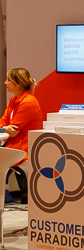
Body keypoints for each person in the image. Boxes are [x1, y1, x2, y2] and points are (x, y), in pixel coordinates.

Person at [1, 68, 43, 204]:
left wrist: (4, 129)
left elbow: (13, 129)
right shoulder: (13, 100)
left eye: (8, 80)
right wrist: (4, 128)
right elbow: (4, 123)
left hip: (23, 147)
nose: (5, 82)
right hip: (13, 144)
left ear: (17, 83)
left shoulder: (28, 102)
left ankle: (6, 197)